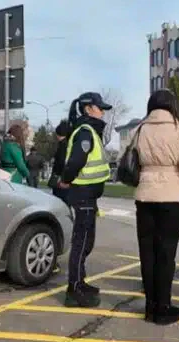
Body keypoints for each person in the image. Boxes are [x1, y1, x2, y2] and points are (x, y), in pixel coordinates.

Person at [133, 89, 179, 325]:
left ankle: (150, 306)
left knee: (147, 252)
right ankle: (164, 305)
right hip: (172, 194)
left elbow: (130, 159)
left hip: (145, 194)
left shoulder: (140, 130)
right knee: (166, 252)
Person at [57, 92, 113, 308]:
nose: (103, 112)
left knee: (86, 242)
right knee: (81, 243)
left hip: (88, 195)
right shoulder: (85, 132)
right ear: (89, 109)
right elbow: (76, 161)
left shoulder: (89, 131)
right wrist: (66, 180)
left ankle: (80, 281)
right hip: (83, 194)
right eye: (100, 108)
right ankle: (74, 289)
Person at [50, 119, 73, 204]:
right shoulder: (69, 144)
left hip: (60, 178)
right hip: (65, 177)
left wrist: (60, 178)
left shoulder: (63, 145)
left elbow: (61, 162)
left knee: (60, 201)